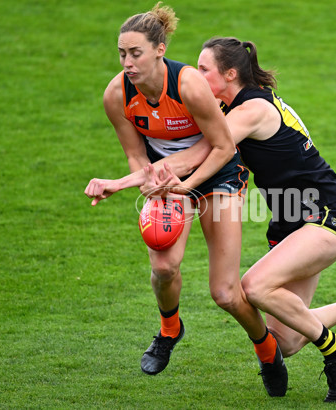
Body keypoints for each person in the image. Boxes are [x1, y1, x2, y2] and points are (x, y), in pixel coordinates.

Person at [148, 37, 336, 403]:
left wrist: (132, 182)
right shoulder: (232, 107)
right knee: (287, 340)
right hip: (292, 220)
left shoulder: (251, 111)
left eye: (203, 71)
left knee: (256, 286)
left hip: (329, 213)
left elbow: (207, 151)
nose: (196, 78)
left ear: (230, 75)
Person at [84, 5, 288, 397]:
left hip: (217, 172)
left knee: (226, 293)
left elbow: (224, 145)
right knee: (163, 266)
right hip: (166, 178)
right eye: (122, 54)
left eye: (136, 53)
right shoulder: (116, 95)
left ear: (160, 49)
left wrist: (183, 183)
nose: (127, 62)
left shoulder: (189, 85)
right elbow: (135, 154)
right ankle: (169, 329)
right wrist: (149, 177)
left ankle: (267, 350)